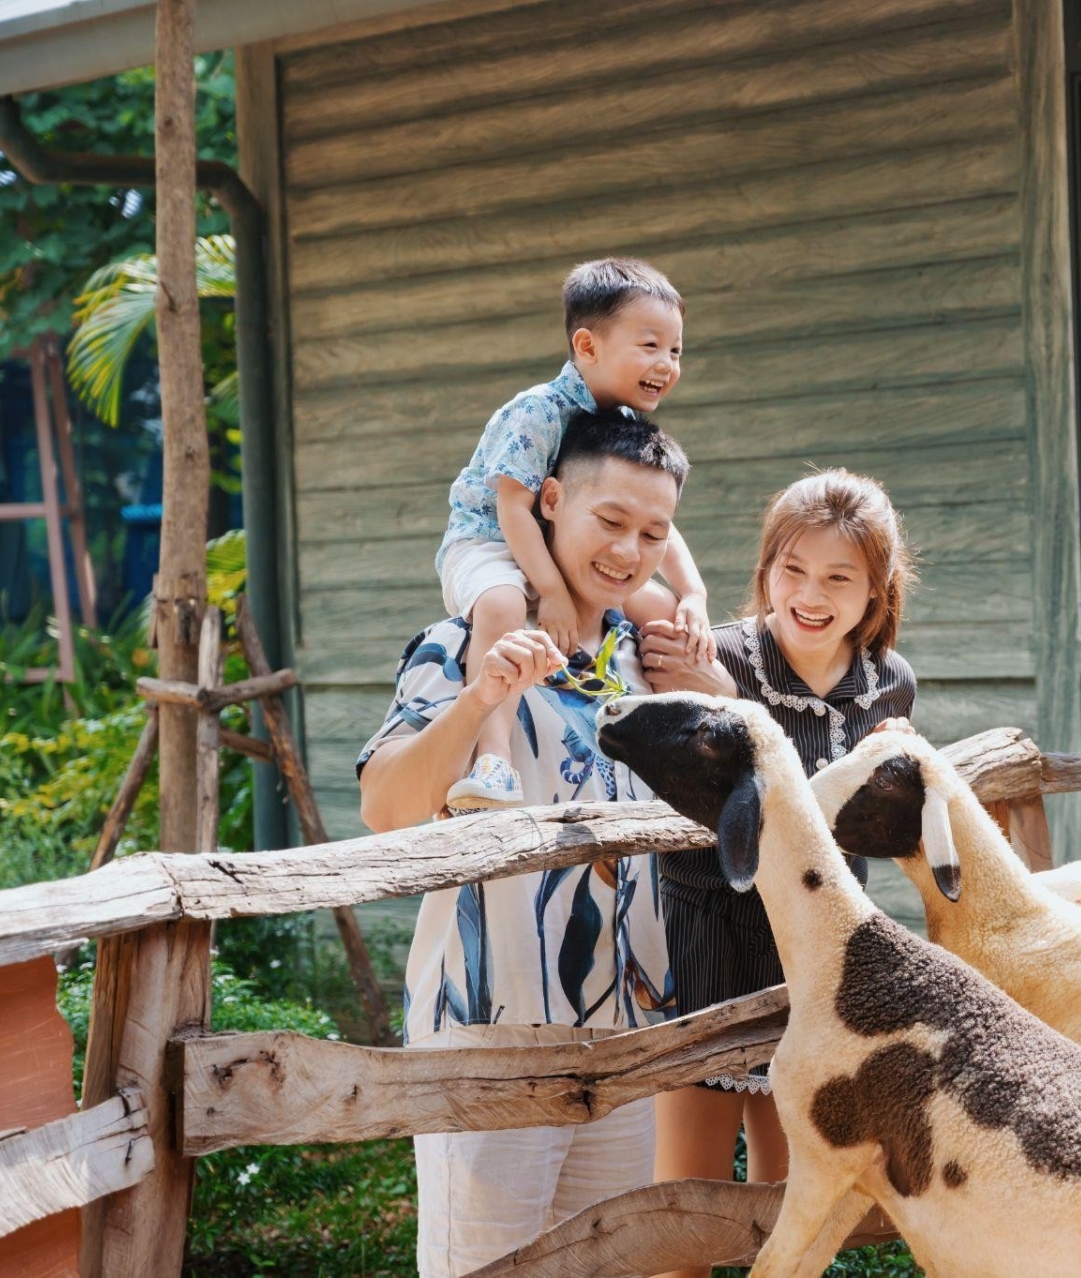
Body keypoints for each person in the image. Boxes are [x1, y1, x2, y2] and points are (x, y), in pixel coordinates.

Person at [358, 411, 691, 1278]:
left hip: (625, 1039)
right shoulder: (466, 638)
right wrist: (477, 704)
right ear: (549, 503)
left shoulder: (647, 661)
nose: (628, 550)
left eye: (653, 532)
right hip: (489, 1037)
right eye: (609, 521)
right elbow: (385, 807)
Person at [638, 469, 917, 1278]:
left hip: (818, 949)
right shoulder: (712, 655)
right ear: (766, 569)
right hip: (707, 930)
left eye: (838, 577)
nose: (810, 594)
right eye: (792, 569)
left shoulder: (888, 682)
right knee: (685, 1199)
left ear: (875, 590)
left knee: (792, 1197)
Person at [436, 257, 713, 811]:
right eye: (651, 346)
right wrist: (554, 592)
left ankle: (690, 748)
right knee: (502, 605)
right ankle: (494, 761)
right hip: (490, 541)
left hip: (565, 553)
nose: (667, 363)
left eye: (676, 351)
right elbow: (515, 508)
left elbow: (656, 522)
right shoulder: (538, 411)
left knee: (659, 609)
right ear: (587, 347)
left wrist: (694, 595)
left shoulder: (627, 426)